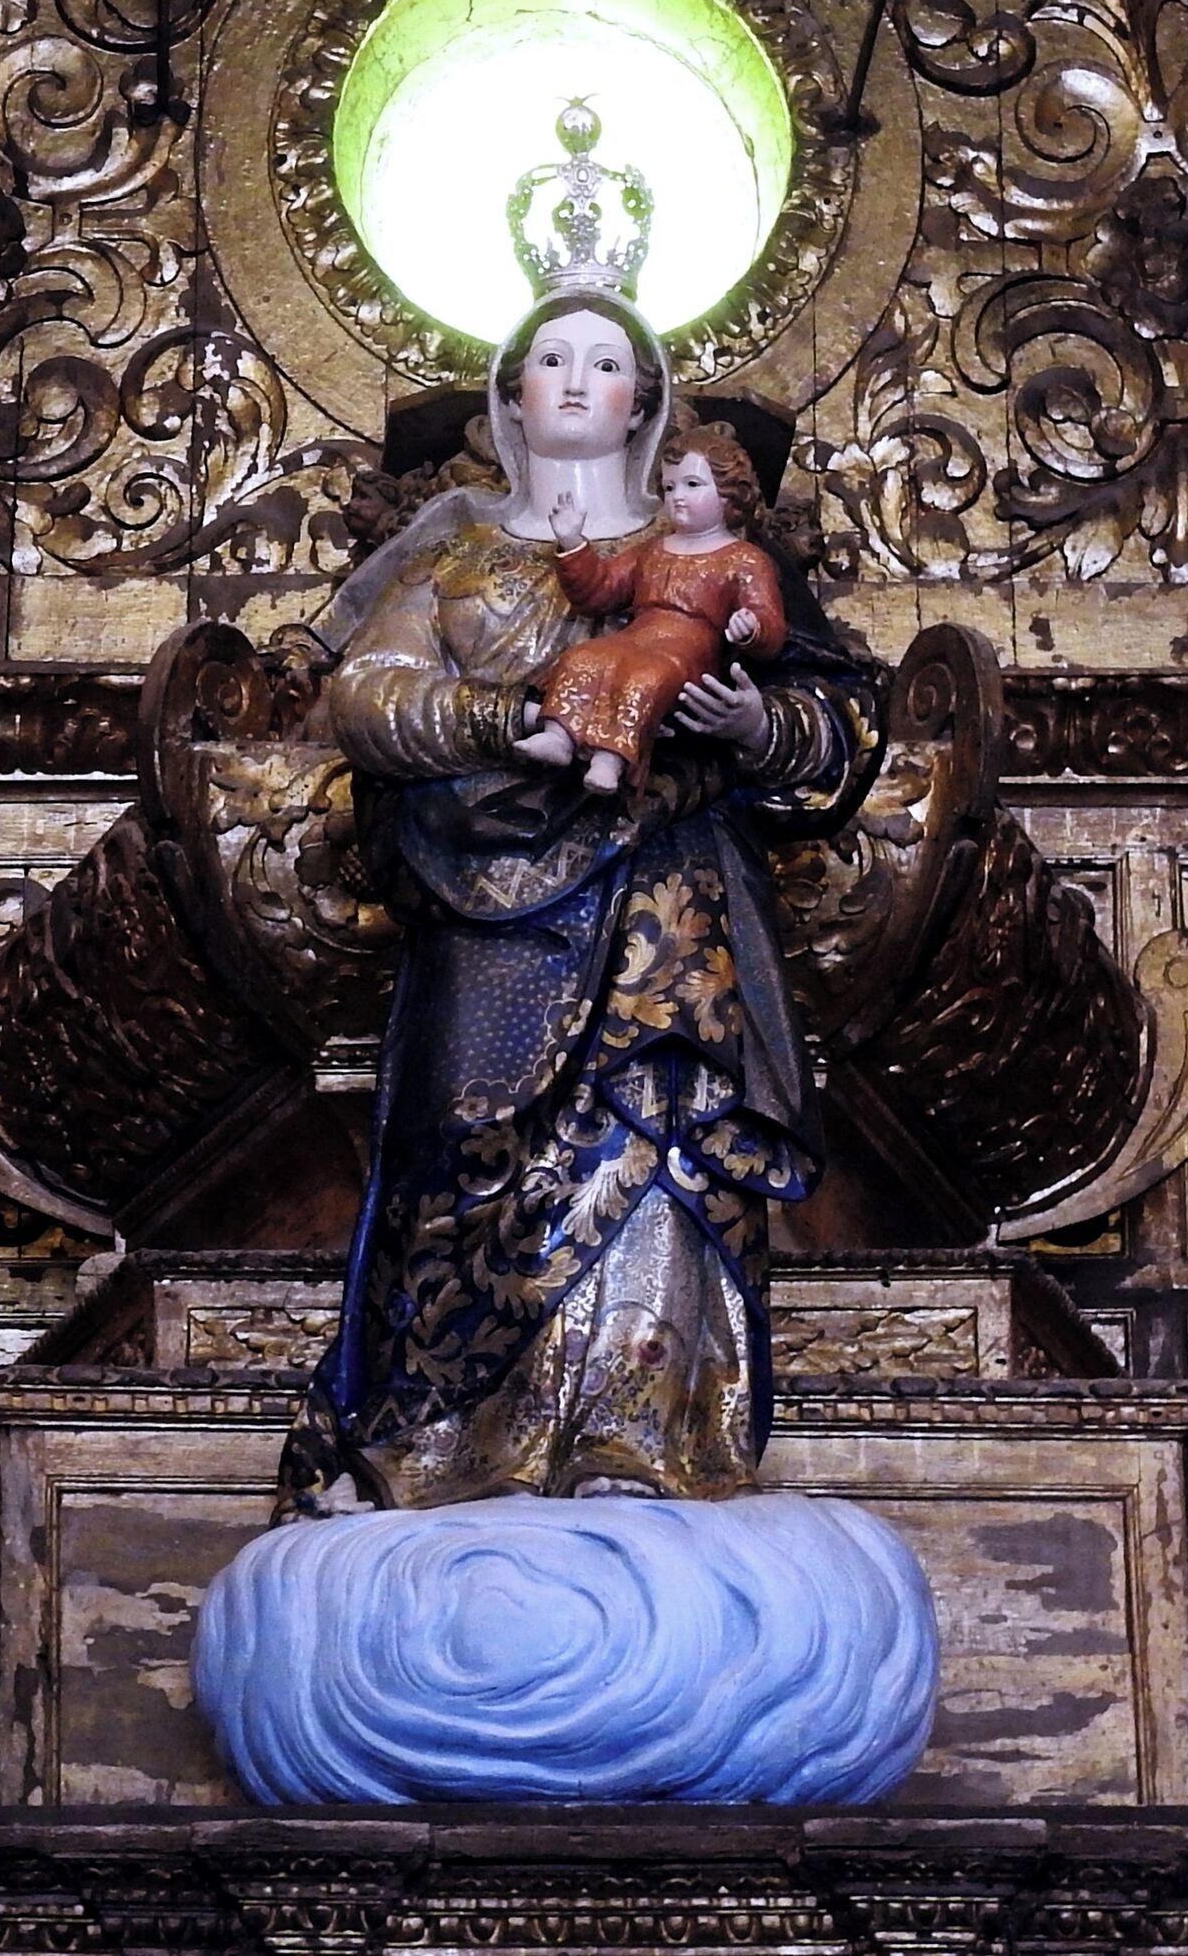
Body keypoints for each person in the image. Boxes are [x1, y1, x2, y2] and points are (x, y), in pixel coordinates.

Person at [280, 290, 876, 1511]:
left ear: (643, 403)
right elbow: (367, 700)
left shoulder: (709, 552)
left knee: (660, 1128)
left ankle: (635, 1431)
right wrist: (507, 720)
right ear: (508, 398)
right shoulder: (457, 551)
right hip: (487, 906)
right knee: (462, 1153)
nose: (570, 382)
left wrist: (760, 723)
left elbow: (838, 728)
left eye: (603, 364)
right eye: (547, 360)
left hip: (673, 897)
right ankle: (442, 1446)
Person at [519, 424, 788, 794]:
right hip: (638, 634)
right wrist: (572, 542)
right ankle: (558, 736)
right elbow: (601, 591)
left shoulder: (744, 559)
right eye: (670, 487)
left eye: (693, 485)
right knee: (583, 657)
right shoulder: (654, 549)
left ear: (729, 494)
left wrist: (752, 627)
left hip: (690, 651)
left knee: (648, 677)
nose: (677, 496)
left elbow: (768, 621)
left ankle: (610, 760)